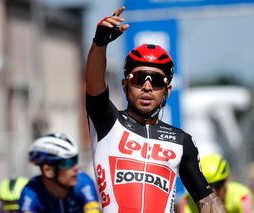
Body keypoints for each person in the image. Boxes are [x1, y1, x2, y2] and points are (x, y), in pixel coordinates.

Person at [85, 6, 226, 213]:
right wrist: (99, 44)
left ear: (167, 90)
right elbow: (95, 85)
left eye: (157, 81)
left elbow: (208, 202)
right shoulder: (107, 121)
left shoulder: (181, 141)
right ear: (125, 85)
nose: (147, 87)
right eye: (139, 78)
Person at [19, 132, 101, 213]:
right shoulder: (31, 191)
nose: (76, 168)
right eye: (68, 163)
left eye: (75, 160)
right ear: (48, 171)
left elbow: (93, 210)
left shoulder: (83, 182)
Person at [180, 153, 254, 213]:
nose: (213, 191)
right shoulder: (188, 201)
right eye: (206, 186)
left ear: (226, 181)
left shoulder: (242, 196)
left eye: (217, 185)